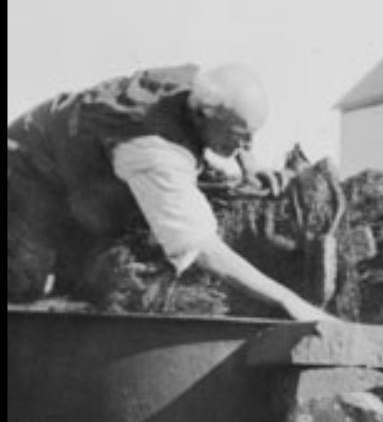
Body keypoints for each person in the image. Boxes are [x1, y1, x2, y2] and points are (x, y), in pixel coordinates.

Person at [7, 62, 332, 321]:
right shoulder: (154, 150)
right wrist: (289, 301)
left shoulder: (196, 84)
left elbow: (232, 118)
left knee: (87, 270)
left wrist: (248, 161)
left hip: (78, 157)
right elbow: (201, 248)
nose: (246, 144)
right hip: (25, 168)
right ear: (203, 114)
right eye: (238, 136)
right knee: (24, 288)